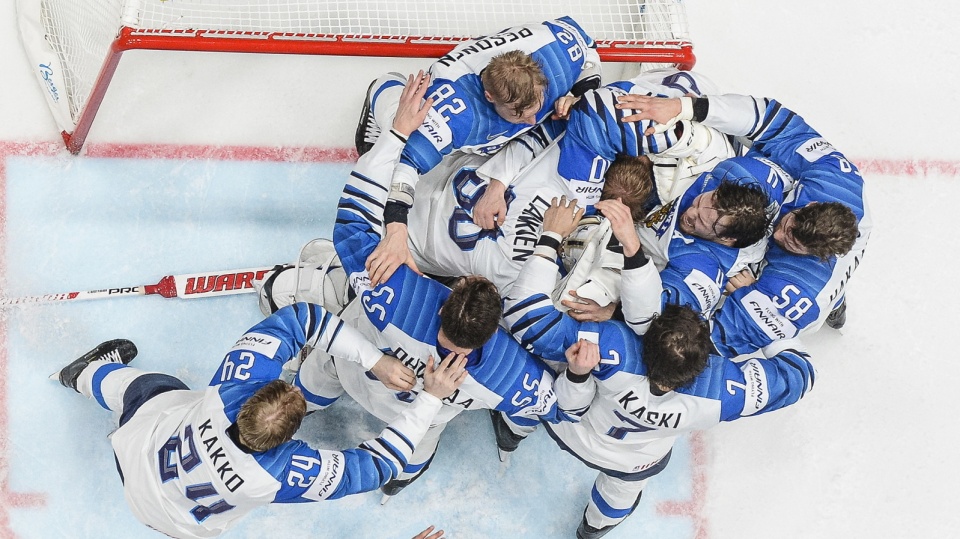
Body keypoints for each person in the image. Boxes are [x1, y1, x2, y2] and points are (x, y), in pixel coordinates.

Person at [268, 73, 564, 501]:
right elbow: (559, 404)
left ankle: (302, 408)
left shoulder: (392, 290)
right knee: (414, 452)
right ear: (496, 329)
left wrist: (397, 135)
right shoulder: (511, 371)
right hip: (417, 424)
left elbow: (352, 215)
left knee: (319, 373)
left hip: (351, 370)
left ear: (446, 297)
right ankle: (398, 483)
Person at [501, 197, 817, 539]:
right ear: (708, 360)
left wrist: (558, 241)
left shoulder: (614, 345)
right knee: (620, 494)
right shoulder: (721, 388)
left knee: (535, 373)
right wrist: (760, 307)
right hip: (634, 461)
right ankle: (593, 529)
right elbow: (799, 375)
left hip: (569, 426)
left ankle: (512, 431)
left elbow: (528, 319)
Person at [53, 302, 466, 539]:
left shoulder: (233, 387)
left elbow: (300, 319)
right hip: (171, 521)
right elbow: (381, 465)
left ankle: (79, 374)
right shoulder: (281, 475)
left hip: (138, 452)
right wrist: (430, 398)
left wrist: (374, 361)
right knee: (161, 390)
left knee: (147, 388)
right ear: (287, 442)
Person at [619, 92, 869, 354]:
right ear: (811, 204)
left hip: (804, 294)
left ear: (815, 256)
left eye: (792, 243)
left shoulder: (797, 291)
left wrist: (753, 298)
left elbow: (703, 346)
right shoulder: (834, 177)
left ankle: (836, 303)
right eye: (789, 224)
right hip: (845, 213)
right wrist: (683, 107)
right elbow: (771, 121)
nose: (781, 234)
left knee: (740, 287)